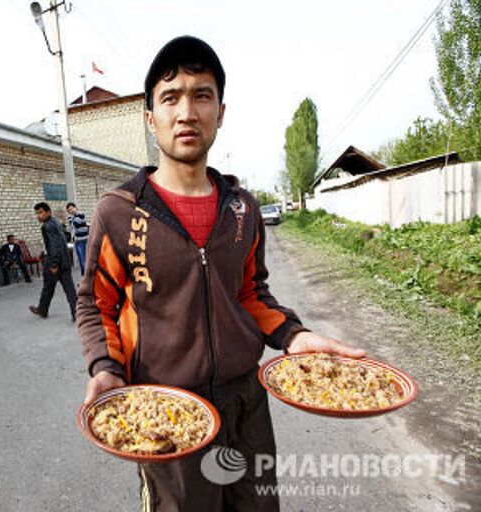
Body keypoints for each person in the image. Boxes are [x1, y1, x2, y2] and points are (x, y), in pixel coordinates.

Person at [76, 36, 366, 512]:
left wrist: (294, 336)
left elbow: (251, 292)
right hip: (169, 416)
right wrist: (105, 369)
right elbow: (95, 302)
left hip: (246, 406)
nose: (186, 112)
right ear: (151, 119)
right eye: (170, 98)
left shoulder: (242, 209)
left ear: (221, 112)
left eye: (201, 95)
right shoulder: (119, 211)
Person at [29, 202, 78, 321]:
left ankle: (43, 310)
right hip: (65, 261)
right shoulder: (56, 222)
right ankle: (77, 312)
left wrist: (54, 264)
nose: (38, 216)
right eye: (37, 213)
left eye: (40, 212)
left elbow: (54, 245)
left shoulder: (47, 226)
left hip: (55, 263)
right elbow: (63, 239)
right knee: (68, 288)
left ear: (48, 212)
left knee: (48, 287)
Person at [66, 202, 89, 276]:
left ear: (75, 207)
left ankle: (87, 279)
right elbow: (72, 226)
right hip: (78, 241)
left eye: (71, 209)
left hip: (84, 240)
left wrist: (72, 220)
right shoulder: (73, 217)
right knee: (80, 261)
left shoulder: (81, 214)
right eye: (69, 211)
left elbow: (75, 223)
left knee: (84, 261)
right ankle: (83, 279)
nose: (71, 211)